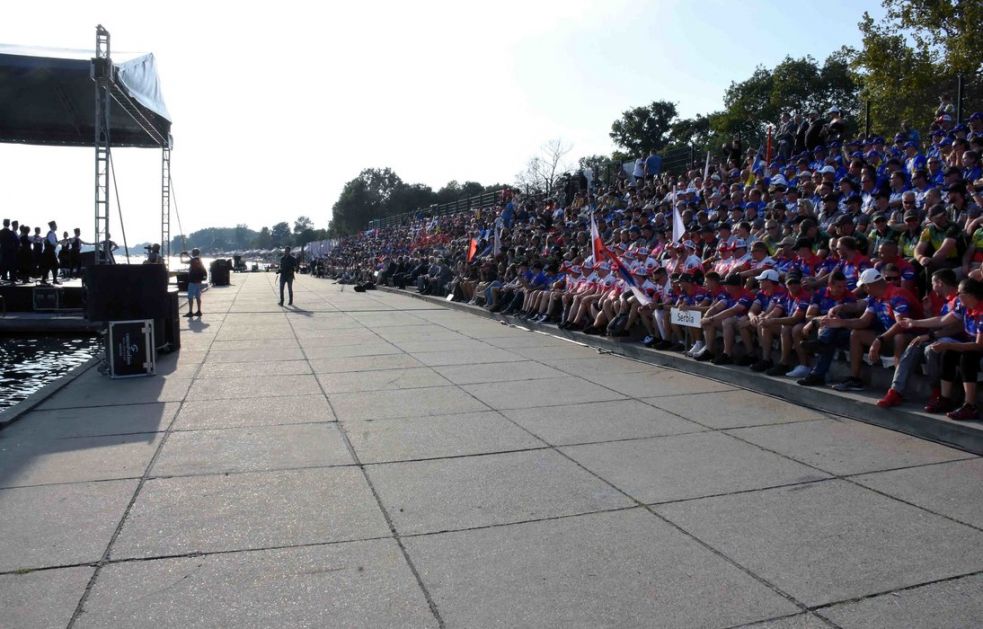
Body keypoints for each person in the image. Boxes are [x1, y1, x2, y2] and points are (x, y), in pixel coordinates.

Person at [185, 248, 206, 317]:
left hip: (193, 282)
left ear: (193, 253)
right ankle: (199, 311)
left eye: (192, 252)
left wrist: (188, 255)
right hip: (198, 282)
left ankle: (190, 312)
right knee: (198, 297)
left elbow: (192, 260)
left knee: (190, 297)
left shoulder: (194, 259)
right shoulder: (200, 260)